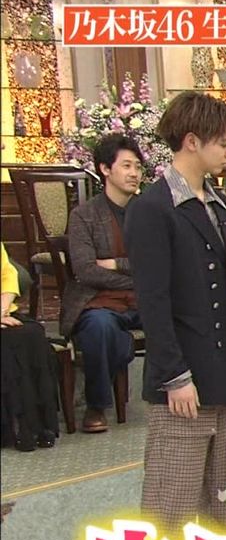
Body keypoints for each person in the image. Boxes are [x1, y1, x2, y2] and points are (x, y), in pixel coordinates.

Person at [124, 91, 226, 536]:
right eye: (222, 143)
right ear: (192, 141)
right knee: (171, 509)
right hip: (185, 381)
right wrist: (174, 376)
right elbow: (154, 302)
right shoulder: (153, 208)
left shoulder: (219, 204)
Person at [62, 133, 145, 433]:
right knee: (100, 326)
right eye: (126, 166)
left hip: (144, 299)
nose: (134, 173)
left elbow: (160, 263)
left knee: (185, 312)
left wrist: (115, 263)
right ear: (105, 169)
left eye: (138, 166)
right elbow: (86, 271)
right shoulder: (84, 216)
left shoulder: (149, 212)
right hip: (98, 301)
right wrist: (135, 275)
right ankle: (96, 405)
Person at [1, 242, 61, 451]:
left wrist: (2, 309)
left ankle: (35, 425)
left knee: (31, 334)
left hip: (4, 313)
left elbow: (8, 275)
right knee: (7, 343)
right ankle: (14, 427)